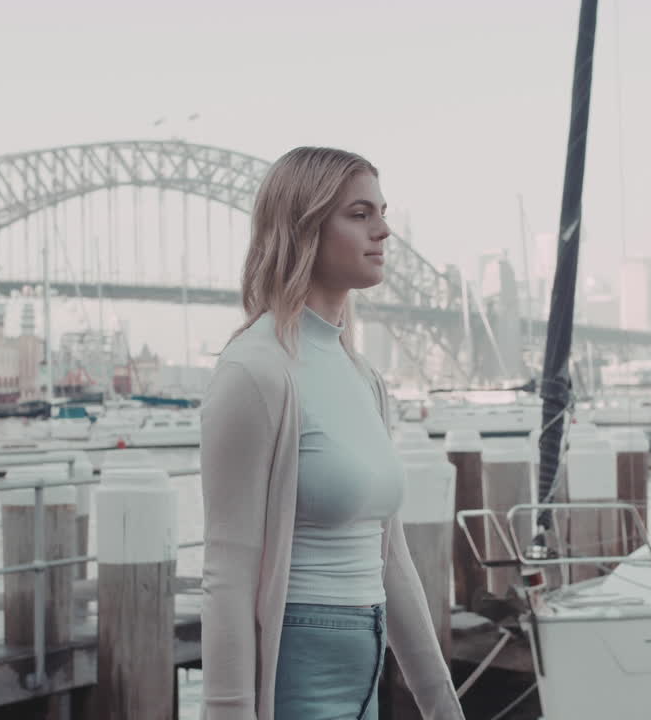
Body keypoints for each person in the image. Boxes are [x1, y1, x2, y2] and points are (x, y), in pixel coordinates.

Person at [198, 146, 464, 720]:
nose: (385, 231)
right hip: (299, 667)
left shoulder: (362, 376)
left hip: (366, 668)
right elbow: (227, 572)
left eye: (382, 212)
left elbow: (391, 557)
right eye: (360, 213)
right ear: (305, 229)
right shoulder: (255, 371)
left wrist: (441, 703)